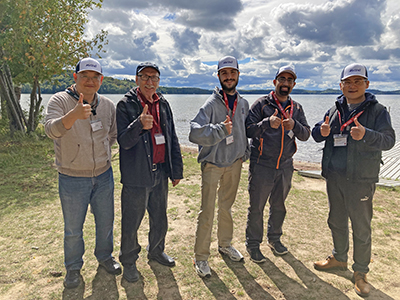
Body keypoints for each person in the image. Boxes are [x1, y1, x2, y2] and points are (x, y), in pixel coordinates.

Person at [312, 63, 395, 297]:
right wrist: (321, 131)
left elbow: (389, 140)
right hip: (335, 177)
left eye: (358, 81)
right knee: (336, 220)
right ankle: (339, 258)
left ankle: (360, 273)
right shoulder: (335, 108)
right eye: (347, 82)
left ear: (366, 84)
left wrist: (366, 135)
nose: (352, 86)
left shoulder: (377, 111)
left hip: (361, 179)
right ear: (341, 85)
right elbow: (318, 133)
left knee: (361, 227)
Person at [45, 57, 121, 289]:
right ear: (75, 77)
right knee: (73, 229)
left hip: (103, 175)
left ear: (101, 80)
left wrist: (102, 157)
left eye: (94, 77)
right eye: (85, 77)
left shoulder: (108, 105)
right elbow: (51, 130)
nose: (90, 81)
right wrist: (74, 115)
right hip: (71, 177)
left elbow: (112, 135)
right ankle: (73, 269)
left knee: (105, 222)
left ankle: (105, 257)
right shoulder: (59, 100)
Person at [116, 62, 183, 283]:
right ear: (136, 79)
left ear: (158, 81)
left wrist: (176, 170)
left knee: (160, 218)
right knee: (132, 222)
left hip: (160, 172)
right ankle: (128, 262)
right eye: (145, 77)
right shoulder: (125, 104)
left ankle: (156, 251)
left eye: (154, 78)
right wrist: (139, 124)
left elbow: (171, 137)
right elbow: (124, 142)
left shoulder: (163, 103)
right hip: (137, 175)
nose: (149, 82)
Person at [189, 56, 249, 278]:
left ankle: (225, 244)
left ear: (238, 75)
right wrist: (220, 131)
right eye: (224, 73)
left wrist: (244, 152)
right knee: (207, 211)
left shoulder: (243, 103)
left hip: (234, 163)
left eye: (232, 72)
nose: (229, 77)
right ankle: (201, 257)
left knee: (227, 208)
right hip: (213, 165)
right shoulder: (211, 104)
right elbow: (194, 133)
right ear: (219, 76)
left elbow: (243, 131)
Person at [245, 65, 310, 262]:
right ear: (275, 82)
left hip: (285, 166)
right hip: (262, 164)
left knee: (279, 205)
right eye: (282, 79)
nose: (285, 83)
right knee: (257, 206)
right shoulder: (261, 105)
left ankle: (274, 239)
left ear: (293, 85)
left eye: (289, 80)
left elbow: (306, 134)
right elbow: (248, 130)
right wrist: (266, 123)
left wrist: (295, 125)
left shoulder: (297, 108)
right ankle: (253, 244)